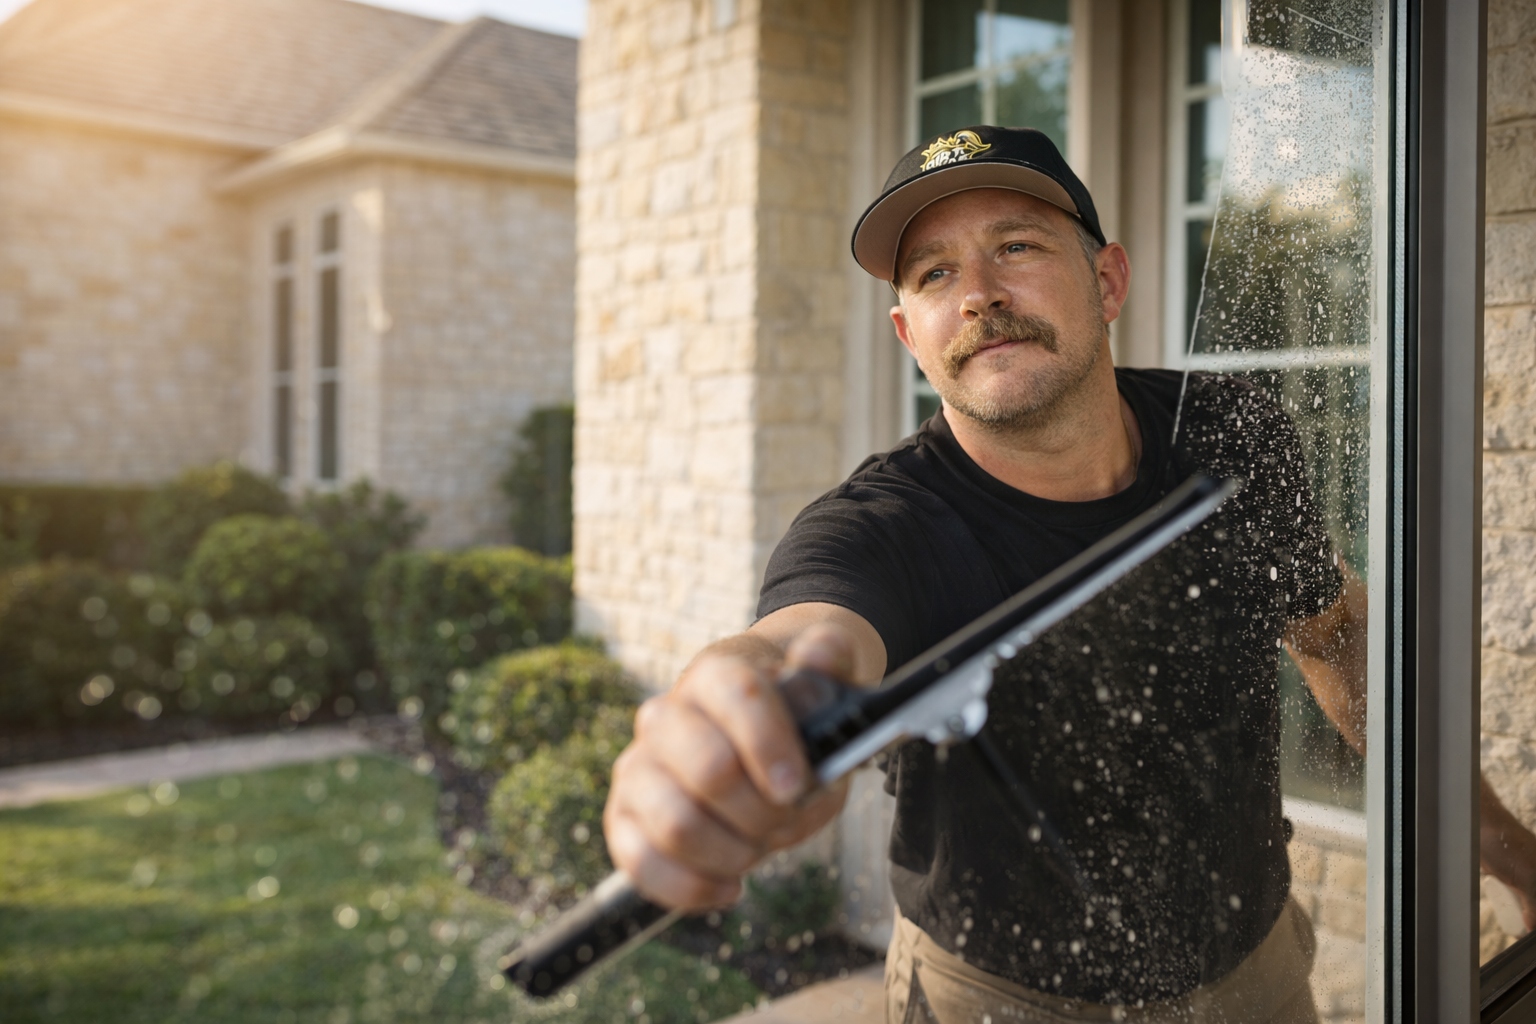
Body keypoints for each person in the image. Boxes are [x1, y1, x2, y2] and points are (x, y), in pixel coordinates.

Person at [602, 126, 1536, 1021]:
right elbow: (798, 642)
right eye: (935, 274)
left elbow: (1339, 642)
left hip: (1255, 976)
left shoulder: (1225, 432)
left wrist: (1513, 856)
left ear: (1108, 279)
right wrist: (733, 707)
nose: (977, 293)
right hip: (996, 1002)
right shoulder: (876, 531)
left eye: (1016, 246)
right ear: (910, 334)